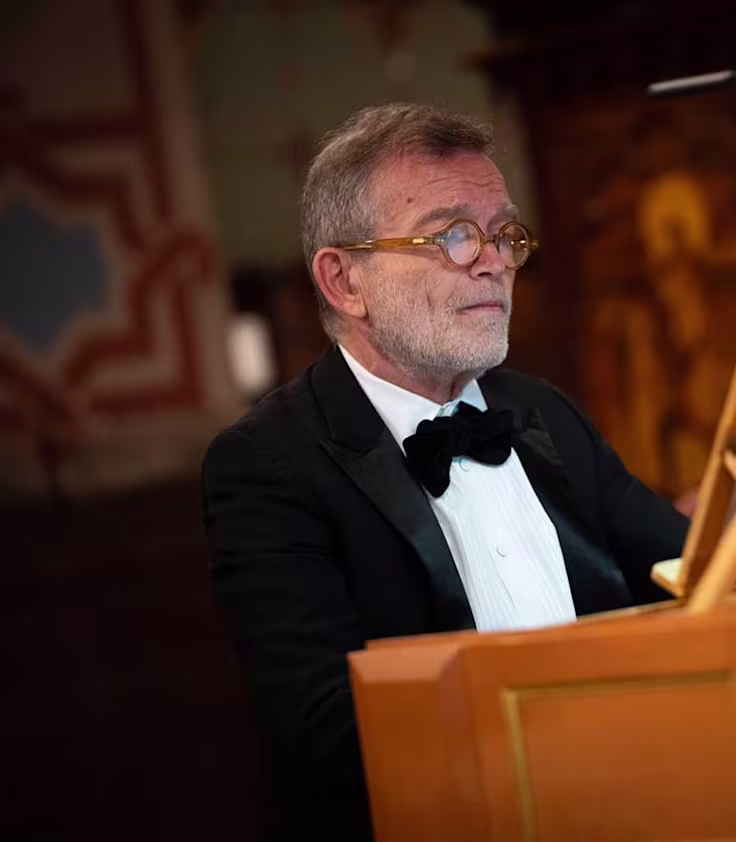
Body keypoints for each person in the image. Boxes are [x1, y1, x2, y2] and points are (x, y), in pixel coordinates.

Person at [201, 103, 689, 842]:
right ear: (344, 281)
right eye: (453, 234)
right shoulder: (266, 465)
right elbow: (325, 725)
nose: (494, 259)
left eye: (504, 235)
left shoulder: (542, 412)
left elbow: (683, 574)